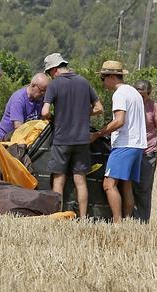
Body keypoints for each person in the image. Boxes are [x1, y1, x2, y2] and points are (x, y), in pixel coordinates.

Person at [41, 53, 104, 219]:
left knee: (59, 179)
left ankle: (58, 216)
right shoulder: (84, 82)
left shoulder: (54, 85)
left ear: (54, 69)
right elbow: (99, 108)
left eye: (49, 73)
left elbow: (45, 111)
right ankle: (83, 218)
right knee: (80, 180)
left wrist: (54, 117)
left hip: (62, 140)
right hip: (82, 140)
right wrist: (82, 113)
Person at [90, 61, 147, 223]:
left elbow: (119, 121)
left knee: (109, 184)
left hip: (124, 144)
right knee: (126, 184)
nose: (102, 81)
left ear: (112, 76)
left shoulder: (120, 94)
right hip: (137, 145)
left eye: (103, 77)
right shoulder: (134, 92)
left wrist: (98, 134)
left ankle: (117, 222)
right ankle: (127, 220)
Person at [131, 80, 157, 223]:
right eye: (138, 94)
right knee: (129, 187)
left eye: (143, 96)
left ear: (149, 94)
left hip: (148, 152)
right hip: (131, 151)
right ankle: (129, 218)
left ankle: (142, 221)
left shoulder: (153, 106)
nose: (140, 98)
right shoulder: (129, 103)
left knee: (144, 188)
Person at [0, 73, 49, 141]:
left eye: (45, 91)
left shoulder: (40, 98)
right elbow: (19, 128)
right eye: (41, 90)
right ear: (33, 85)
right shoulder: (18, 100)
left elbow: (42, 120)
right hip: (6, 140)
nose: (43, 93)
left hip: (27, 137)